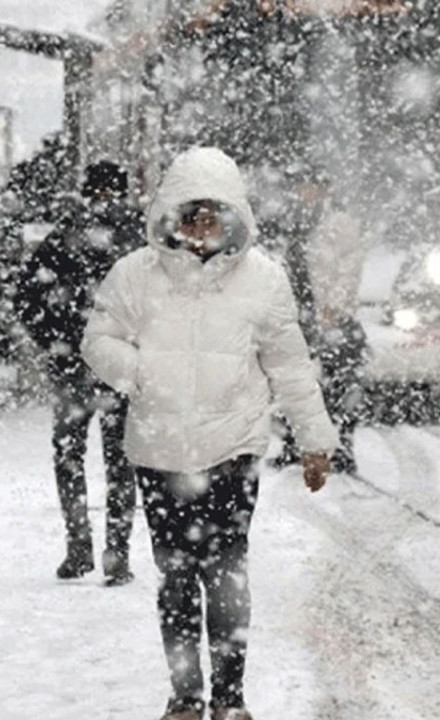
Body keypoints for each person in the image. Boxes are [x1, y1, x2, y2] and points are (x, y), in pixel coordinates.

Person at [82, 147, 336, 720]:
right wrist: (139, 373)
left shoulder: (264, 281)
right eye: (190, 216)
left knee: (225, 575)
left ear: (234, 218)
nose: (201, 229)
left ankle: (229, 698)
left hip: (233, 449)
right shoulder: (134, 275)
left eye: (213, 216)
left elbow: (291, 367)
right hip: (159, 451)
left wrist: (315, 440)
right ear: (171, 217)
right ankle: (184, 696)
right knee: (175, 578)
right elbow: (99, 339)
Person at [13, 160, 144, 584]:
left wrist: (54, 338)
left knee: (73, 457)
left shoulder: (65, 236)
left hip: (77, 366)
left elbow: (26, 295)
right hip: (114, 367)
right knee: (118, 462)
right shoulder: (137, 242)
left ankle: (81, 548)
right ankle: (114, 554)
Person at [270, 167, 368, 473]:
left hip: (330, 315)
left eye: (311, 187)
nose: (306, 193)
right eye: (302, 188)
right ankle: (293, 444)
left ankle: (342, 448)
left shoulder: (339, 222)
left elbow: (350, 265)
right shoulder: (293, 221)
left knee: (340, 382)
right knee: (296, 381)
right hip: (299, 313)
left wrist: (335, 306)